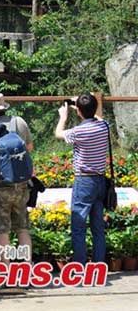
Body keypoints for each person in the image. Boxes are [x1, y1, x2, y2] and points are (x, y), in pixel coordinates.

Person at [54, 93, 110, 264]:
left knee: (78, 226)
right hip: (100, 181)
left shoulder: (78, 131)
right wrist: (84, 105)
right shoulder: (104, 126)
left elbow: (58, 134)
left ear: (78, 111)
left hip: (84, 181)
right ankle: (99, 265)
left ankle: (79, 266)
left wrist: (63, 117)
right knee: (98, 228)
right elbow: (99, 118)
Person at [0, 92, 33, 262]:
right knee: (22, 228)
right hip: (22, 183)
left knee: (3, 232)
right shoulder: (18, 122)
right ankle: (26, 268)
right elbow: (29, 147)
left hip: (0, 184)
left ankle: (5, 270)